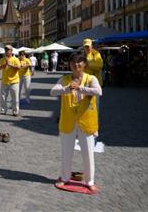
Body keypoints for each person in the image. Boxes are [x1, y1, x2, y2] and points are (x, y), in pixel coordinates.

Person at [50, 53, 102, 193]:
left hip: (86, 120)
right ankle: (65, 177)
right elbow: (53, 92)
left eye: (79, 62)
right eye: (73, 62)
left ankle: (89, 181)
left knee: (88, 153)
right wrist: (67, 89)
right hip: (68, 120)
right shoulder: (65, 79)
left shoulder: (91, 78)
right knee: (66, 152)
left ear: (84, 64)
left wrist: (80, 88)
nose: (76, 65)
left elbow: (98, 91)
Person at [0, 45, 21, 116]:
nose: (6, 51)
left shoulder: (15, 59)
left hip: (14, 81)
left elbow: (18, 67)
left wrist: (9, 64)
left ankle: (15, 111)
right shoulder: (2, 59)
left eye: (8, 50)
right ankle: (3, 110)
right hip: (5, 81)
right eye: (5, 50)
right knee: (3, 97)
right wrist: (3, 65)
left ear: (11, 51)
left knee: (15, 98)